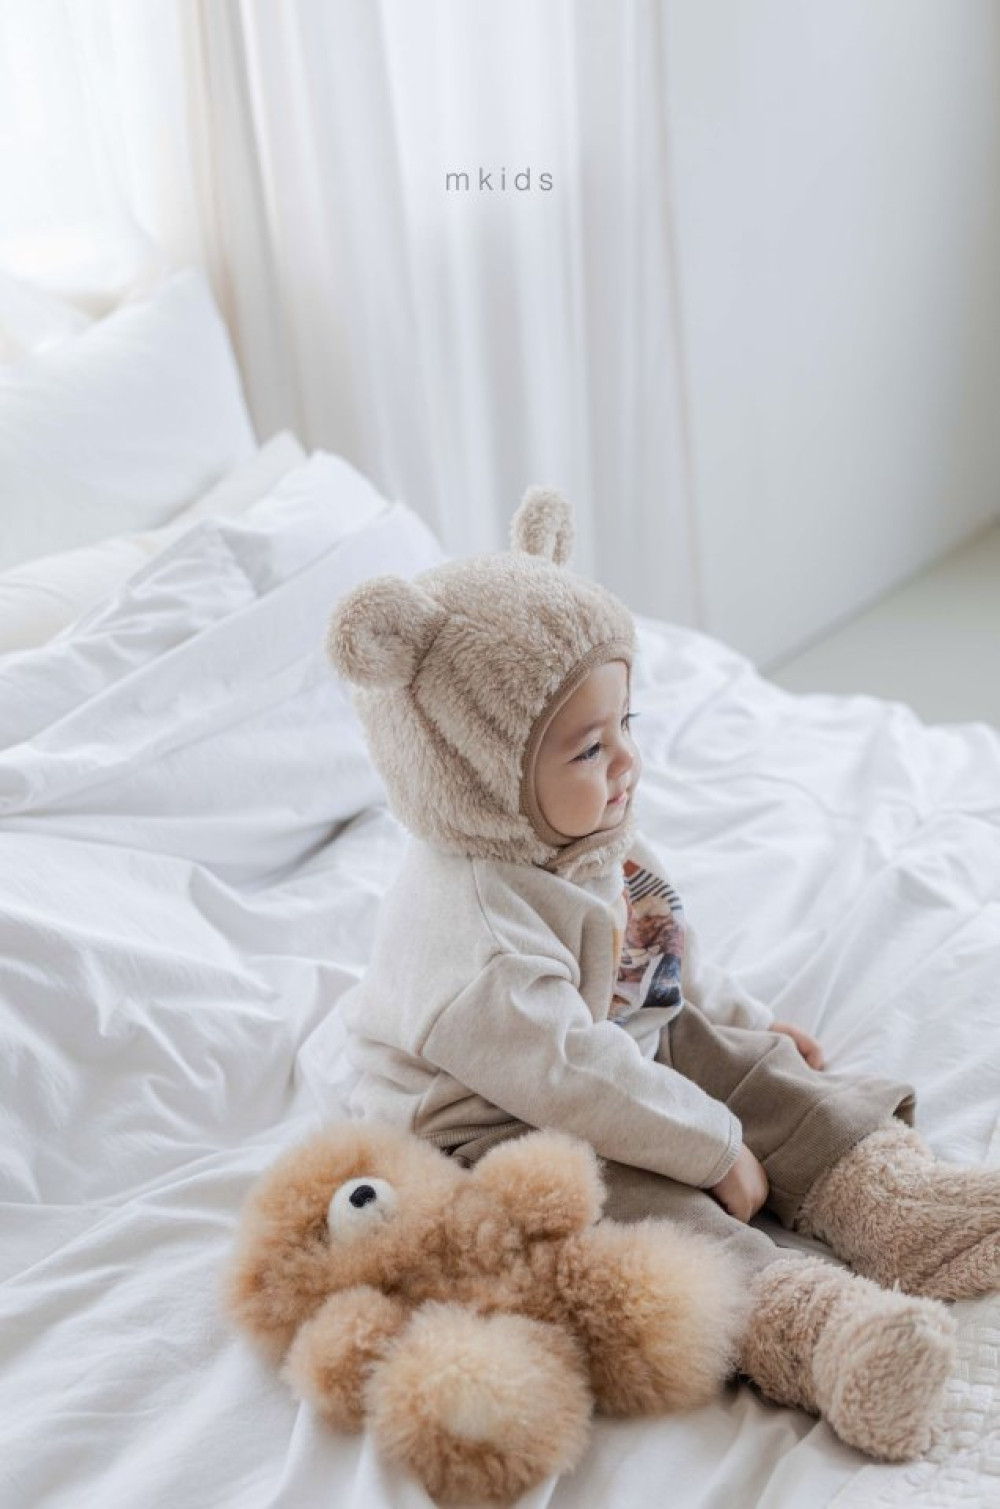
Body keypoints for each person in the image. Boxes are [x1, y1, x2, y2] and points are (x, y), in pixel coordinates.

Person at [326, 486, 999, 1462]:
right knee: (640, 1207)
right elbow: (567, 1074)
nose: (627, 762)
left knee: (755, 1068)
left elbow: (657, 956)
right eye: (590, 748)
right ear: (477, 773)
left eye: (625, 725)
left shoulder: (578, 831)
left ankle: (900, 1205)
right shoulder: (476, 941)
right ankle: (821, 1333)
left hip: (605, 1041)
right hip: (500, 1113)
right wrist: (711, 1145)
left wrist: (750, 1032)